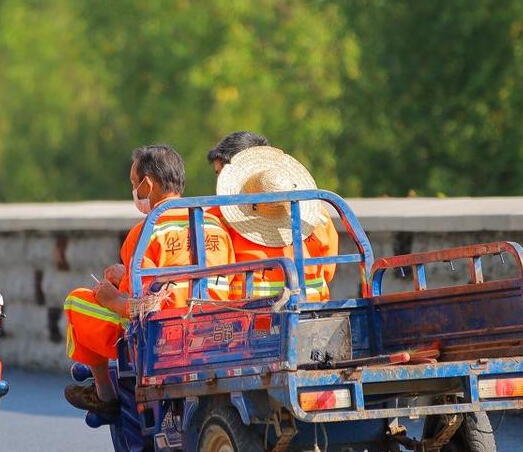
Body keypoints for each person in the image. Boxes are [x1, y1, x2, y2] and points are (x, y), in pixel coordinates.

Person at [62, 145, 233, 416]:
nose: (134, 192)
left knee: (76, 301)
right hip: (218, 323)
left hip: (165, 332)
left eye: (134, 184)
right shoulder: (214, 224)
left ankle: (104, 393)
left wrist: (109, 296)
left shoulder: (145, 231)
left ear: (148, 184)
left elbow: (138, 305)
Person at [208, 140, 339, 301]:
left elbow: (214, 281)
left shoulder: (216, 219)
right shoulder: (320, 216)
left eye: (221, 175)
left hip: (248, 316)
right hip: (313, 309)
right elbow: (328, 271)